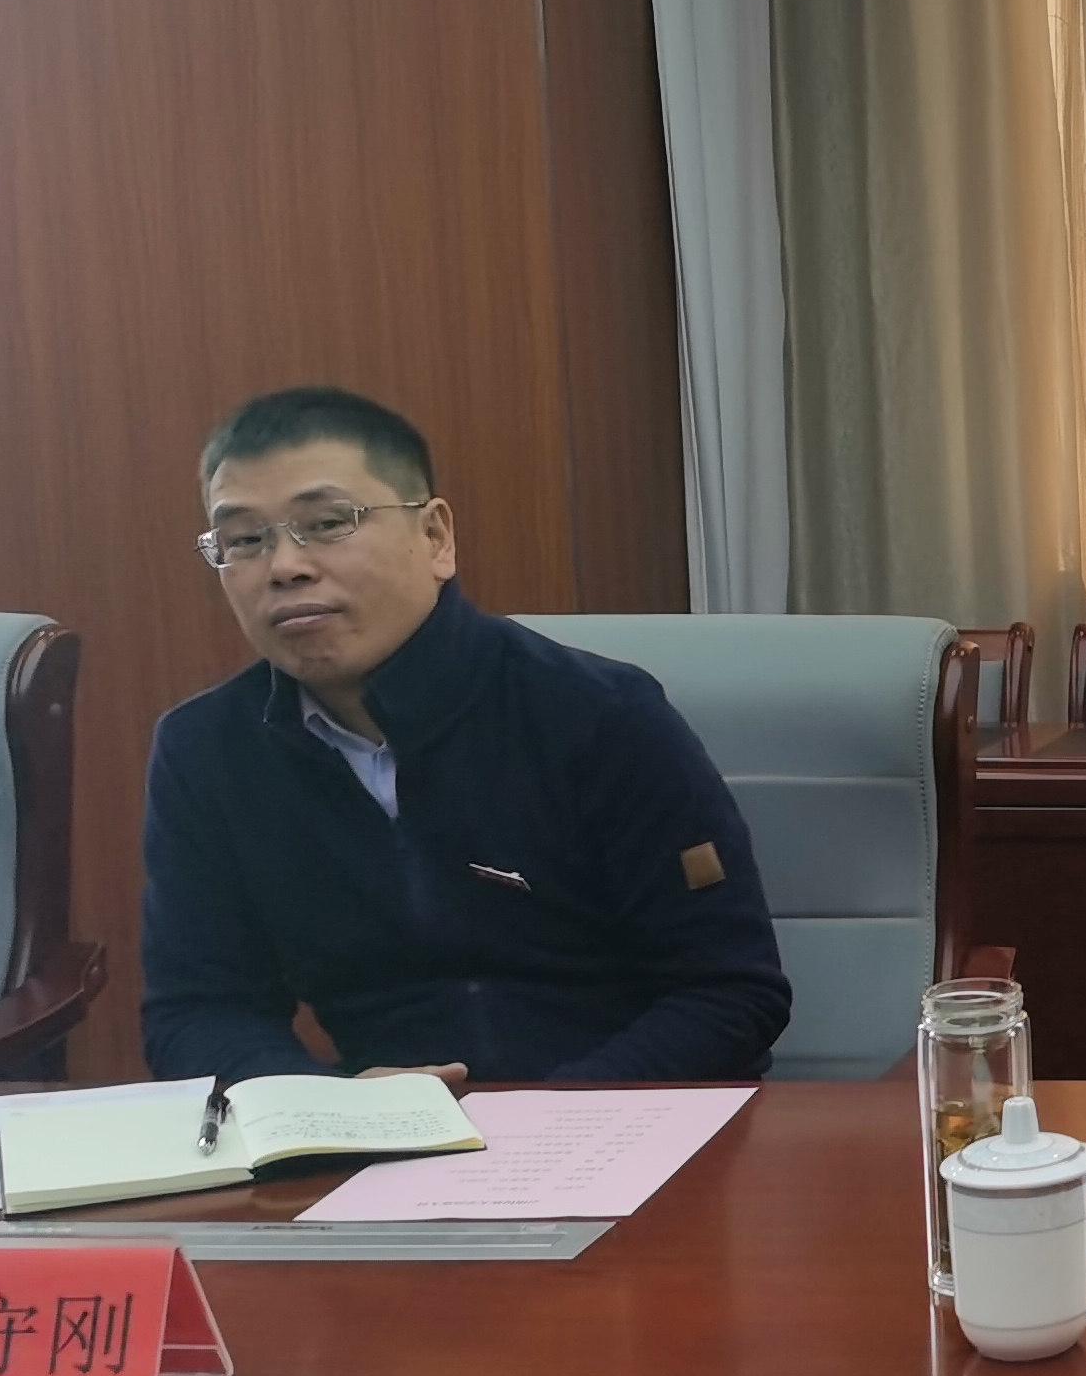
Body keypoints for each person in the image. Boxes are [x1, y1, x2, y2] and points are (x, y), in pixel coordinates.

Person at [143, 386, 790, 1085]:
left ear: (435, 538)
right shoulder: (206, 752)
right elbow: (197, 1011)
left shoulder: (600, 714)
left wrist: (544, 1120)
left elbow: (728, 992)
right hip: (378, 1130)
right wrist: (325, 1110)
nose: (284, 567)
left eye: (327, 523)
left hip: (624, 1115)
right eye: (244, 540)